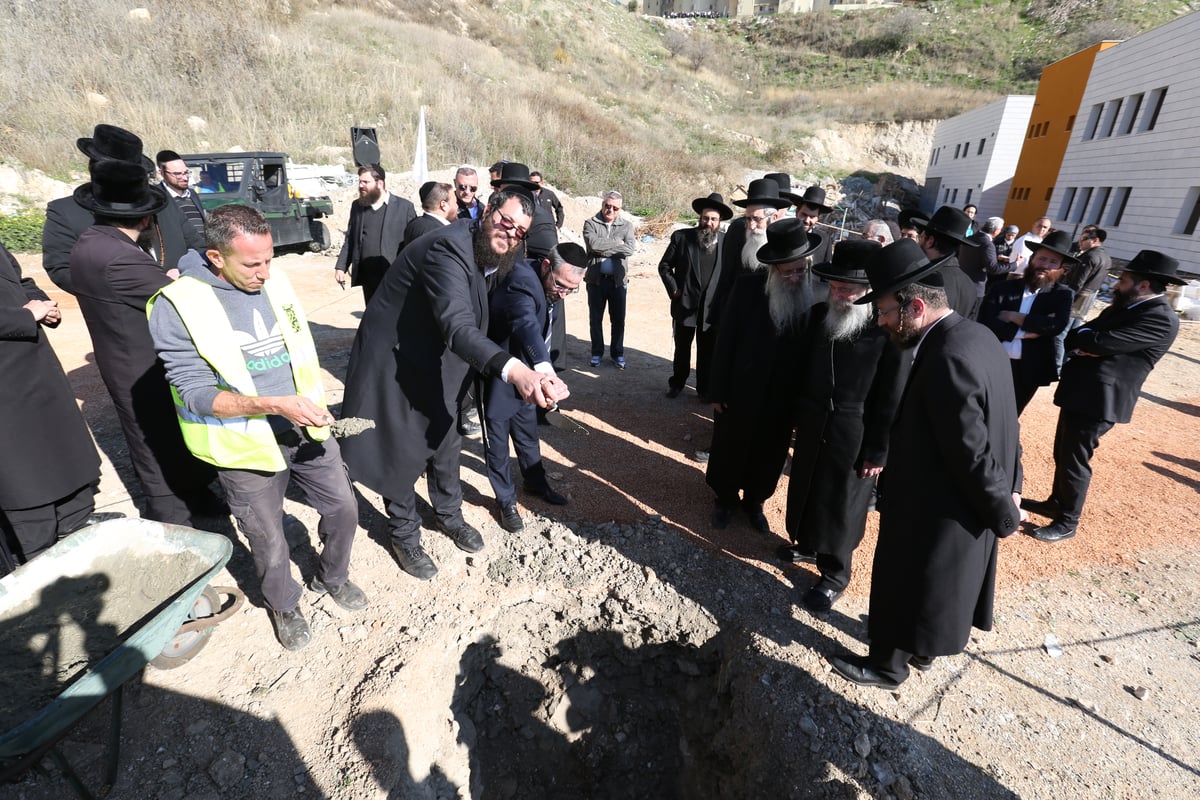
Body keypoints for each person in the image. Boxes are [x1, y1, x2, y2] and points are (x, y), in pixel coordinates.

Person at [149, 205, 366, 651]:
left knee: (344, 509)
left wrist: (307, 403)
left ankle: (333, 576)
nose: (264, 272)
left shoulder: (273, 280)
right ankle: (284, 604)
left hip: (305, 429)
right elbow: (193, 392)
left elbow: (297, 350)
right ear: (215, 257)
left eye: (269, 259)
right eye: (252, 263)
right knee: (268, 539)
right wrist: (271, 404)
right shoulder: (178, 305)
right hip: (244, 442)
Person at [339, 188, 568, 581]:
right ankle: (404, 535)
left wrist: (541, 364)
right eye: (505, 221)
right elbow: (458, 326)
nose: (510, 234)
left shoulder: (494, 252)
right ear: (488, 211)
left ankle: (448, 515)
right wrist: (517, 372)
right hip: (397, 364)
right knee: (400, 450)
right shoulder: (447, 248)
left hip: (440, 362)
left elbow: (516, 310)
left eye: (519, 232)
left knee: (446, 442)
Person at [827, 238, 1021, 690]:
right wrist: (1013, 482)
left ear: (915, 307)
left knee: (906, 579)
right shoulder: (976, 335)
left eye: (887, 313)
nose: (881, 322)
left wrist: (1004, 512)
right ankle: (922, 649)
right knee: (932, 586)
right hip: (958, 501)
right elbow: (1006, 423)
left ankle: (885, 667)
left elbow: (970, 449)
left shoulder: (945, 357)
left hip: (935, 501)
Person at [70, 159, 218, 527]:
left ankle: (196, 497)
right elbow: (182, 298)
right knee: (155, 443)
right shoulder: (118, 257)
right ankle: (171, 520)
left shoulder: (93, 241)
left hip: (124, 355)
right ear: (144, 219)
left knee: (170, 433)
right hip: (138, 364)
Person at [781, 239, 908, 613]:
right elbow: (802, 371)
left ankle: (835, 575)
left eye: (848, 289)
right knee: (807, 487)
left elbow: (892, 399)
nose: (839, 295)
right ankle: (806, 544)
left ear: (868, 291)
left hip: (857, 431)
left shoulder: (887, 331)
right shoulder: (819, 316)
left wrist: (877, 450)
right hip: (815, 420)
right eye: (835, 287)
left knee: (841, 504)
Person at [1022, 250, 1183, 544]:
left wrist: (1093, 341)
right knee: (1063, 451)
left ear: (1143, 284)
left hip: (1100, 399)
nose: (1117, 284)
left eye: (1123, 280)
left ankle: (1068, 521)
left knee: (1075, 459)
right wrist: (1090, 343)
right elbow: (1078, 334)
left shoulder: (1161, 318)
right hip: (1082, 391)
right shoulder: (1126, 307)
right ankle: (1056, 503)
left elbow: (1102, 340)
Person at [706, 218, 820, 533]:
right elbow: (725, 341)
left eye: (802, 270)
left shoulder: (811, 300)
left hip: (782, 397)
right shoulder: (746, 289)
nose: (797, 277)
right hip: (741, 391)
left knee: (769, 453)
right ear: (775, 269)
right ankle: (725, 500)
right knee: (732, 447)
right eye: (791, 271)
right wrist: (718, 391)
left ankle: (755, 502)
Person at [0, 242, 101, 576]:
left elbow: (17, 279)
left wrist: (43, 302)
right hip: (5, 389)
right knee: (25, 485)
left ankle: (79, 530)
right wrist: (26, 316)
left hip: (36, 369)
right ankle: (43, 578)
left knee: (66, 462)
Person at [484, 244, 584, 532]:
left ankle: (535, 483)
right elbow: (525, 323)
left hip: (529, 378)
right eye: (560, 285)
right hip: (501, 376)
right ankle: (506, 501)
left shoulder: (550, 284)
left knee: (528, 435)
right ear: (545, 266)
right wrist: (545, 369)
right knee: (498, 444)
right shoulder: (521, 281)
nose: (563, 293)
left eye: (571, 289)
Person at [43, 124, 204, 294]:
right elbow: (61, 268)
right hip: (118, 314)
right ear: (92, 168)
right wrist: (126, 290)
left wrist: (185, 273)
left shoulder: (162, 204)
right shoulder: (65, 211)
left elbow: (197, 247)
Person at [977, 230, 1076, 414]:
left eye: (1053, 262)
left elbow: (1056, 326)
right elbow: (986, 321)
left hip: (1028, 369)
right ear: (1032, 260)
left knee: (1010, 415)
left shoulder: (1062, 295)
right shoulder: (1002, 288)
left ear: (1062, 268)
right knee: (979, 410)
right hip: (992, 362)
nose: (1045, 265)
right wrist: (1026, 332)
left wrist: (1014, 317)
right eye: (1042, 259)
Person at [658, 192, 732, 399]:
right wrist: (674, 289)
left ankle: (704, 389)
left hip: (712, 308)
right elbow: (664, 266)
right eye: (705, 218)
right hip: (685, 304)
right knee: (682, 349)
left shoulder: (727, 243)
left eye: (713, 219)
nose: (709, 223)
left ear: (720, 221)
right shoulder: (682, 238)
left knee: (708, 351)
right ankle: (677, 383)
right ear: (700, 218)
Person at [333, 164, 416, 305]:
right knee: (372, 314)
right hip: (368, 276)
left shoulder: (404, 207)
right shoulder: (357, 207)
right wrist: (341, 266)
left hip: (394, 274)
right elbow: (351, 238)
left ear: (380, 183)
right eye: (359, 181)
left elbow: (414, 243)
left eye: (365, 182)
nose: (361, 186)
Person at [583, 190, 636, 369]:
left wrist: (604, 247)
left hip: (617, 282)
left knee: (618, 320)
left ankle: (617, 354)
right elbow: (593, 245)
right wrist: (617, 244)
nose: (610, 210)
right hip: (596, 281)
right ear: (602, 204)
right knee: (595, 319)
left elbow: (629, 249)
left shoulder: (626, 226)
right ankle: (597, 353)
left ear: (620, 209)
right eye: (608, 206)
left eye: (615, 208)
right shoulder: (590, 223)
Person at [913, 205, 979, 318]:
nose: (917, 243)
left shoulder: (923, 279)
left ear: (930, 241)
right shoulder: (970, 285)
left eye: (921, 238)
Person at [1064, 226, 1112, 327]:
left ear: (1095, 240)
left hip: (1077, 297)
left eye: (1084, 239)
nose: (1080, 241)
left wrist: (1066, 299)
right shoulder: (1107, 258)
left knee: (1061, 332)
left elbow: (1078, 282)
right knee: (1073, 329)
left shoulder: (1089, 256)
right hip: (1088, 299)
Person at [156, 149, 206, 239]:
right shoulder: (157, 197)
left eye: (186, 172)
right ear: (161, 173)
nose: (184, 178)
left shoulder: (192, 194)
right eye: (177, 174)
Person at [958, 215, 1007, 303]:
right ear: (996, 231)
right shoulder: (987, 244)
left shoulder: (970, 238)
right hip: (975, 288)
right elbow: (993, 268)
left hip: (960, 283)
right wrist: (1015, 264)